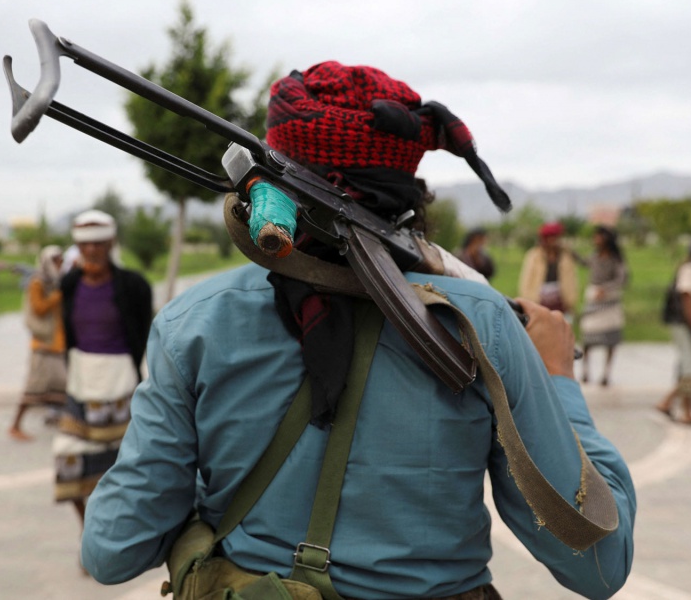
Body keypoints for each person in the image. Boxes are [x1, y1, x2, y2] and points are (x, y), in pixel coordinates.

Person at [81, 62, 635, 599]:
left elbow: (113, 549)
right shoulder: (482, 323)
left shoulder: (194, 324)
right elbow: (599, 565)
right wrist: (559, 381)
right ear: (407, 181)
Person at [53, 210, 153, 539]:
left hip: (120, 383)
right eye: (86, 244)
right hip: (81, 383)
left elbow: (144, 335)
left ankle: (118, 536)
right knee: (68, 458)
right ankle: (89, 533)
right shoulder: (69, 284)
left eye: (99, 243)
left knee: (124, 466)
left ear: (110, 243)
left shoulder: (134, 285)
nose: (92, 250)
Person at [9, 245, 67, 440]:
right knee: (34, 387)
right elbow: (39, 308)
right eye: (56, 261)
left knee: (63, 385)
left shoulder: (57, 281)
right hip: (43, 344)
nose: (60, 264)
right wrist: (58, 296)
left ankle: (66, 421)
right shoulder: (37, 282)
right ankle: (15, 426)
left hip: (57, 343)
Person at [655, 235, 691, 425]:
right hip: (684, 324)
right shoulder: (690, 270)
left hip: (684, 323)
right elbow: (687, 299)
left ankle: (687, 411)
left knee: (688, 365)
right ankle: (666, 401)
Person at [578, 225, 628, 387]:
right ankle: (585, 371)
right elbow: (583, 262)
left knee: (610, 338)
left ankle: (606, 373)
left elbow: (622, 279)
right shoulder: (594, 257)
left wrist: (606, 289)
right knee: (588, 336)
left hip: (609, 301)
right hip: (594, 299)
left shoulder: (616, 260)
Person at [518, 222, 579, 320]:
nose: (554, 241)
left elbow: (571, 280)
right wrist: (528, 300)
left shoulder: (565, 256)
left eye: (556, 237)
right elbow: (526, 280)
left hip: (560, 301)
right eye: (551, 238)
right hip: (539, 301)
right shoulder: (534, 256)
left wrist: (570, 301)